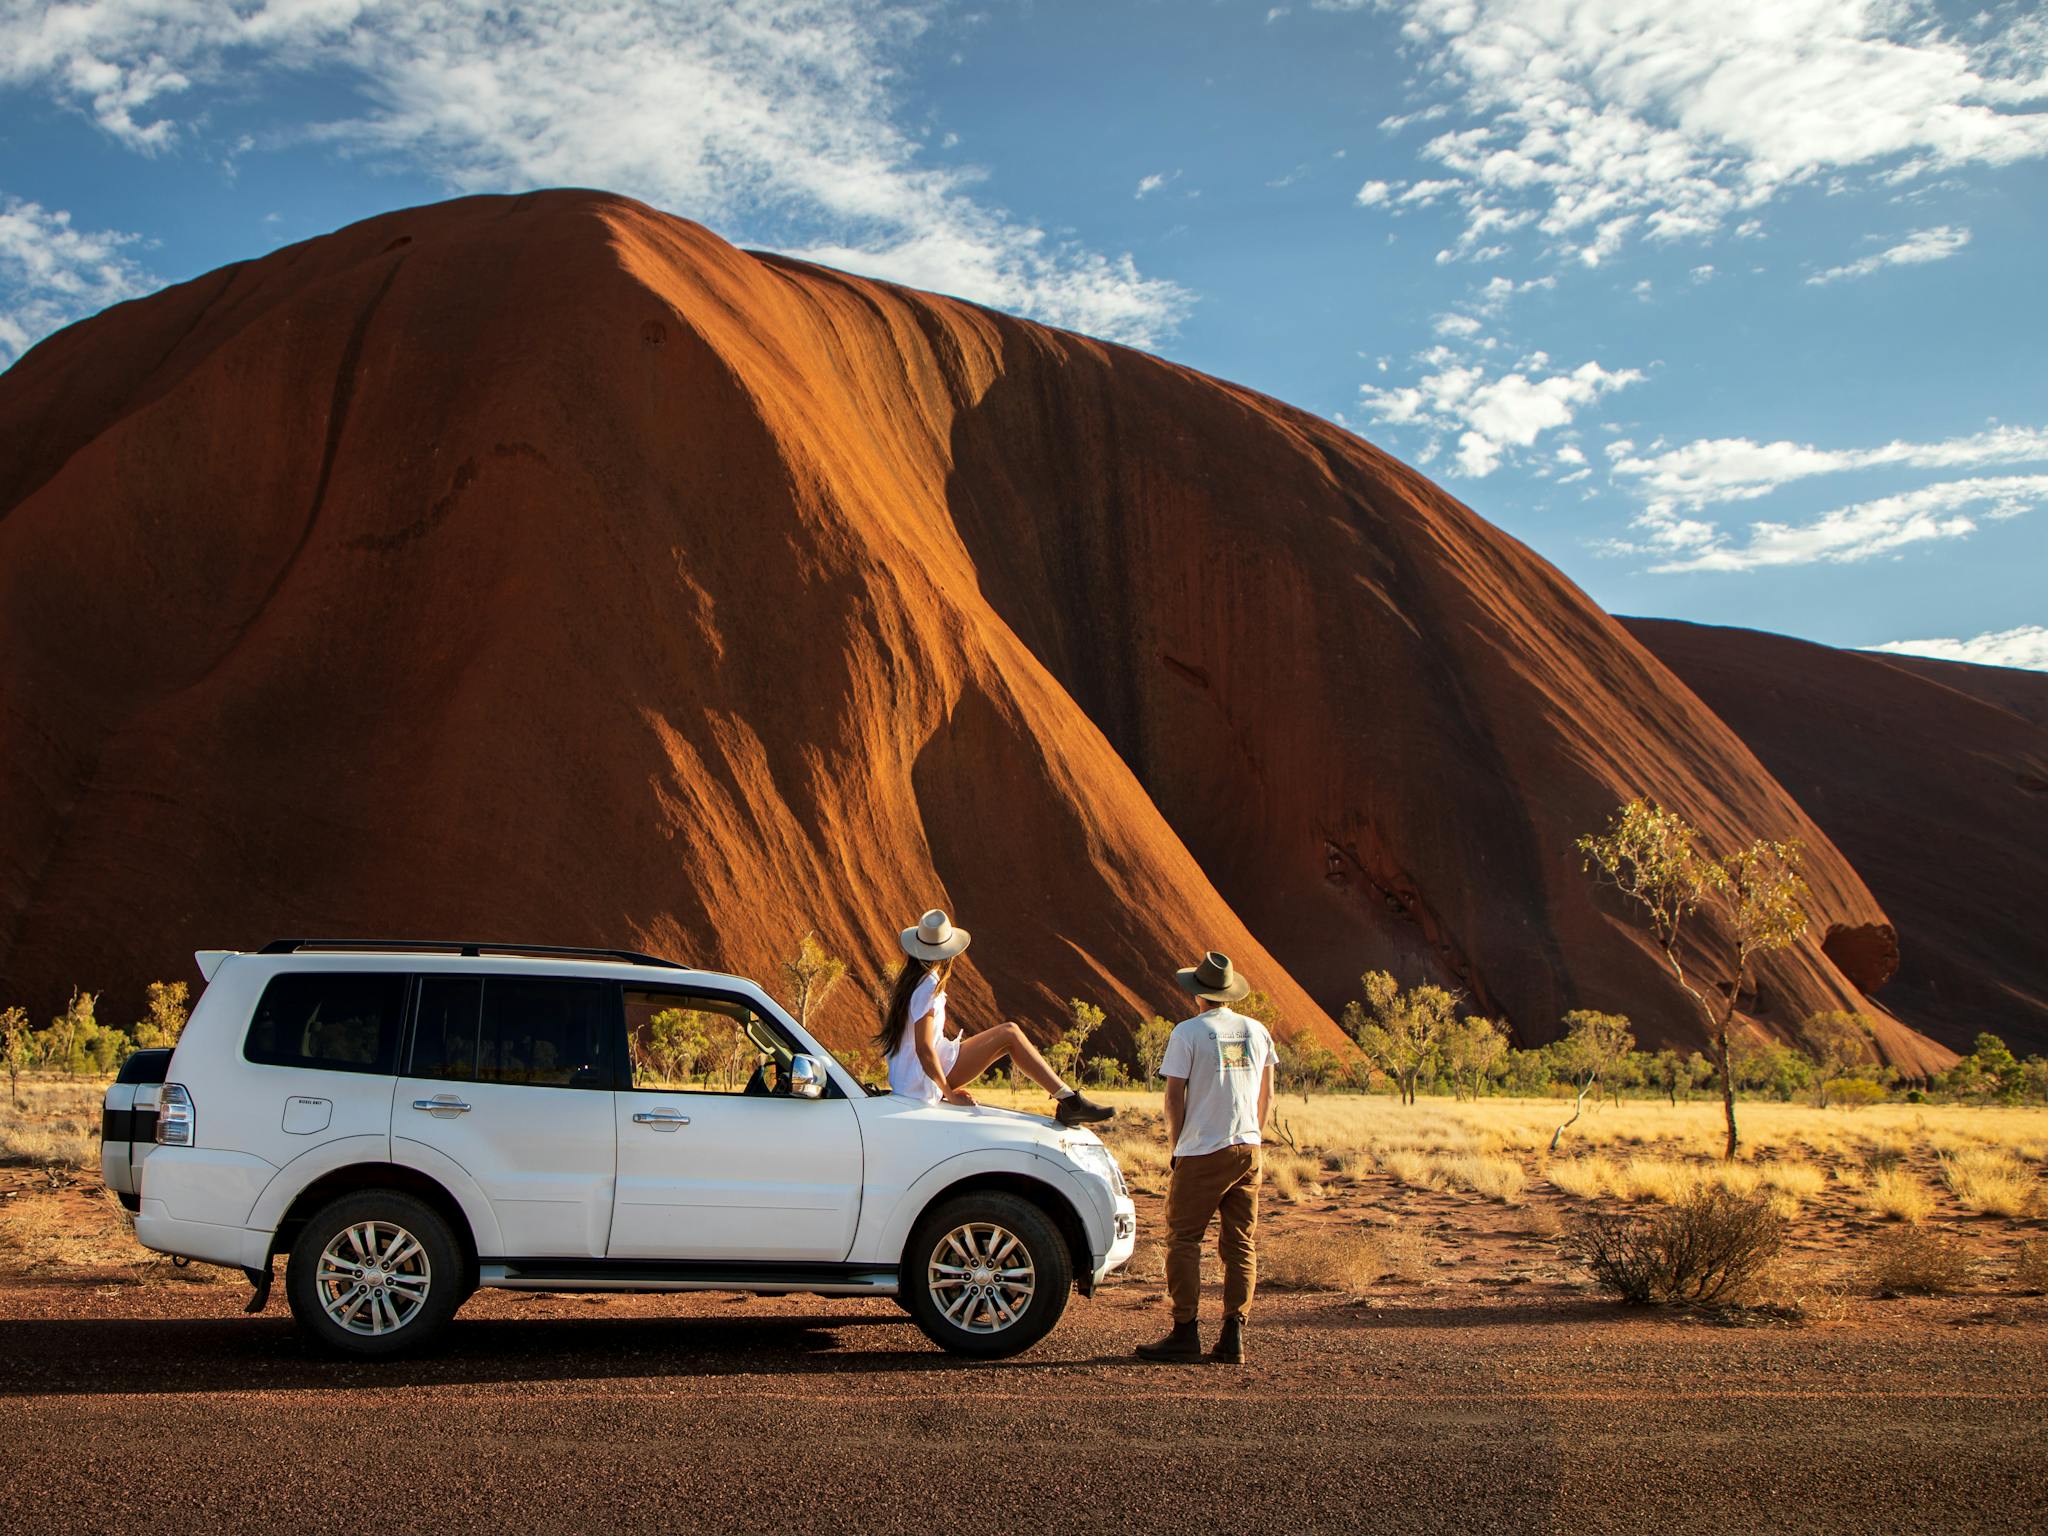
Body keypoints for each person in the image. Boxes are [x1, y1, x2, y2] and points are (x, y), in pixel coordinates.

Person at [1136, 950, 1274, 1366]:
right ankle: (1233, 1335)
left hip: (1201, 1150)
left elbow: (1173, 1095)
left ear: (1197, 993)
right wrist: (1255, 1136)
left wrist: (1177, 1146)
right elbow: (1266, 1094)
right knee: (1240, 1243)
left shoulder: (1188, 1032)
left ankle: (1185, 1332)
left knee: (1183, 1239)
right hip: (1248, 1149)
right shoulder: (1257, 1030)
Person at [876, 909, 1114, 1128]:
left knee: (1008, 1035)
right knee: (1009, 1033)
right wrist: (948, 1093)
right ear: (947, 953)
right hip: (920, 1080)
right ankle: (1071, 1103)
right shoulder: (928, 985)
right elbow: (924, 1048)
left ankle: (1069, 1101)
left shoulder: (911, 982)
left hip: (912, 1076)